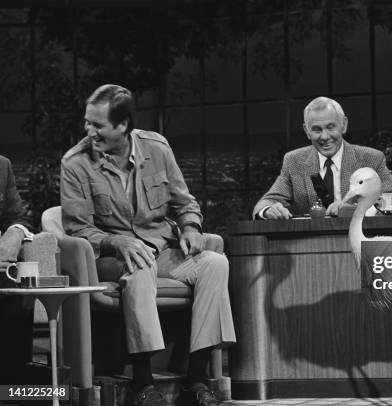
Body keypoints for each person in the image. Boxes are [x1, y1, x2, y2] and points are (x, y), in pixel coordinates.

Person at [60, 84, 235, 406]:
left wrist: (191, 227)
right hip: (110, 255)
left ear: (123, 125)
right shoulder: (75, 164)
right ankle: (143, 383)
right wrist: (117, 240)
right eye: (87, 122)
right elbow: (77, 228)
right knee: (140, 264)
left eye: (97, 125)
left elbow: (185, 202)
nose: (88, 131)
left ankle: (195, 380)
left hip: (163, 248)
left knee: (215, 263)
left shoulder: (156, 148)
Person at [253, 96, 392, 219]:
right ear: (306, 131)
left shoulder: (370, 159)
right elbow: (265, 203)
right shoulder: (294, 161)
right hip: (310, 252)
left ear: (344, 125)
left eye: (331, 127)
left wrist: (361, 209)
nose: (324, 136)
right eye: (317, 129)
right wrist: (268, 210)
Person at [0, 155, 35, 387]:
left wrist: (15, 232)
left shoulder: (2, 165)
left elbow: (20, 216)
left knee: (19, 279)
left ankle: (12, 389)